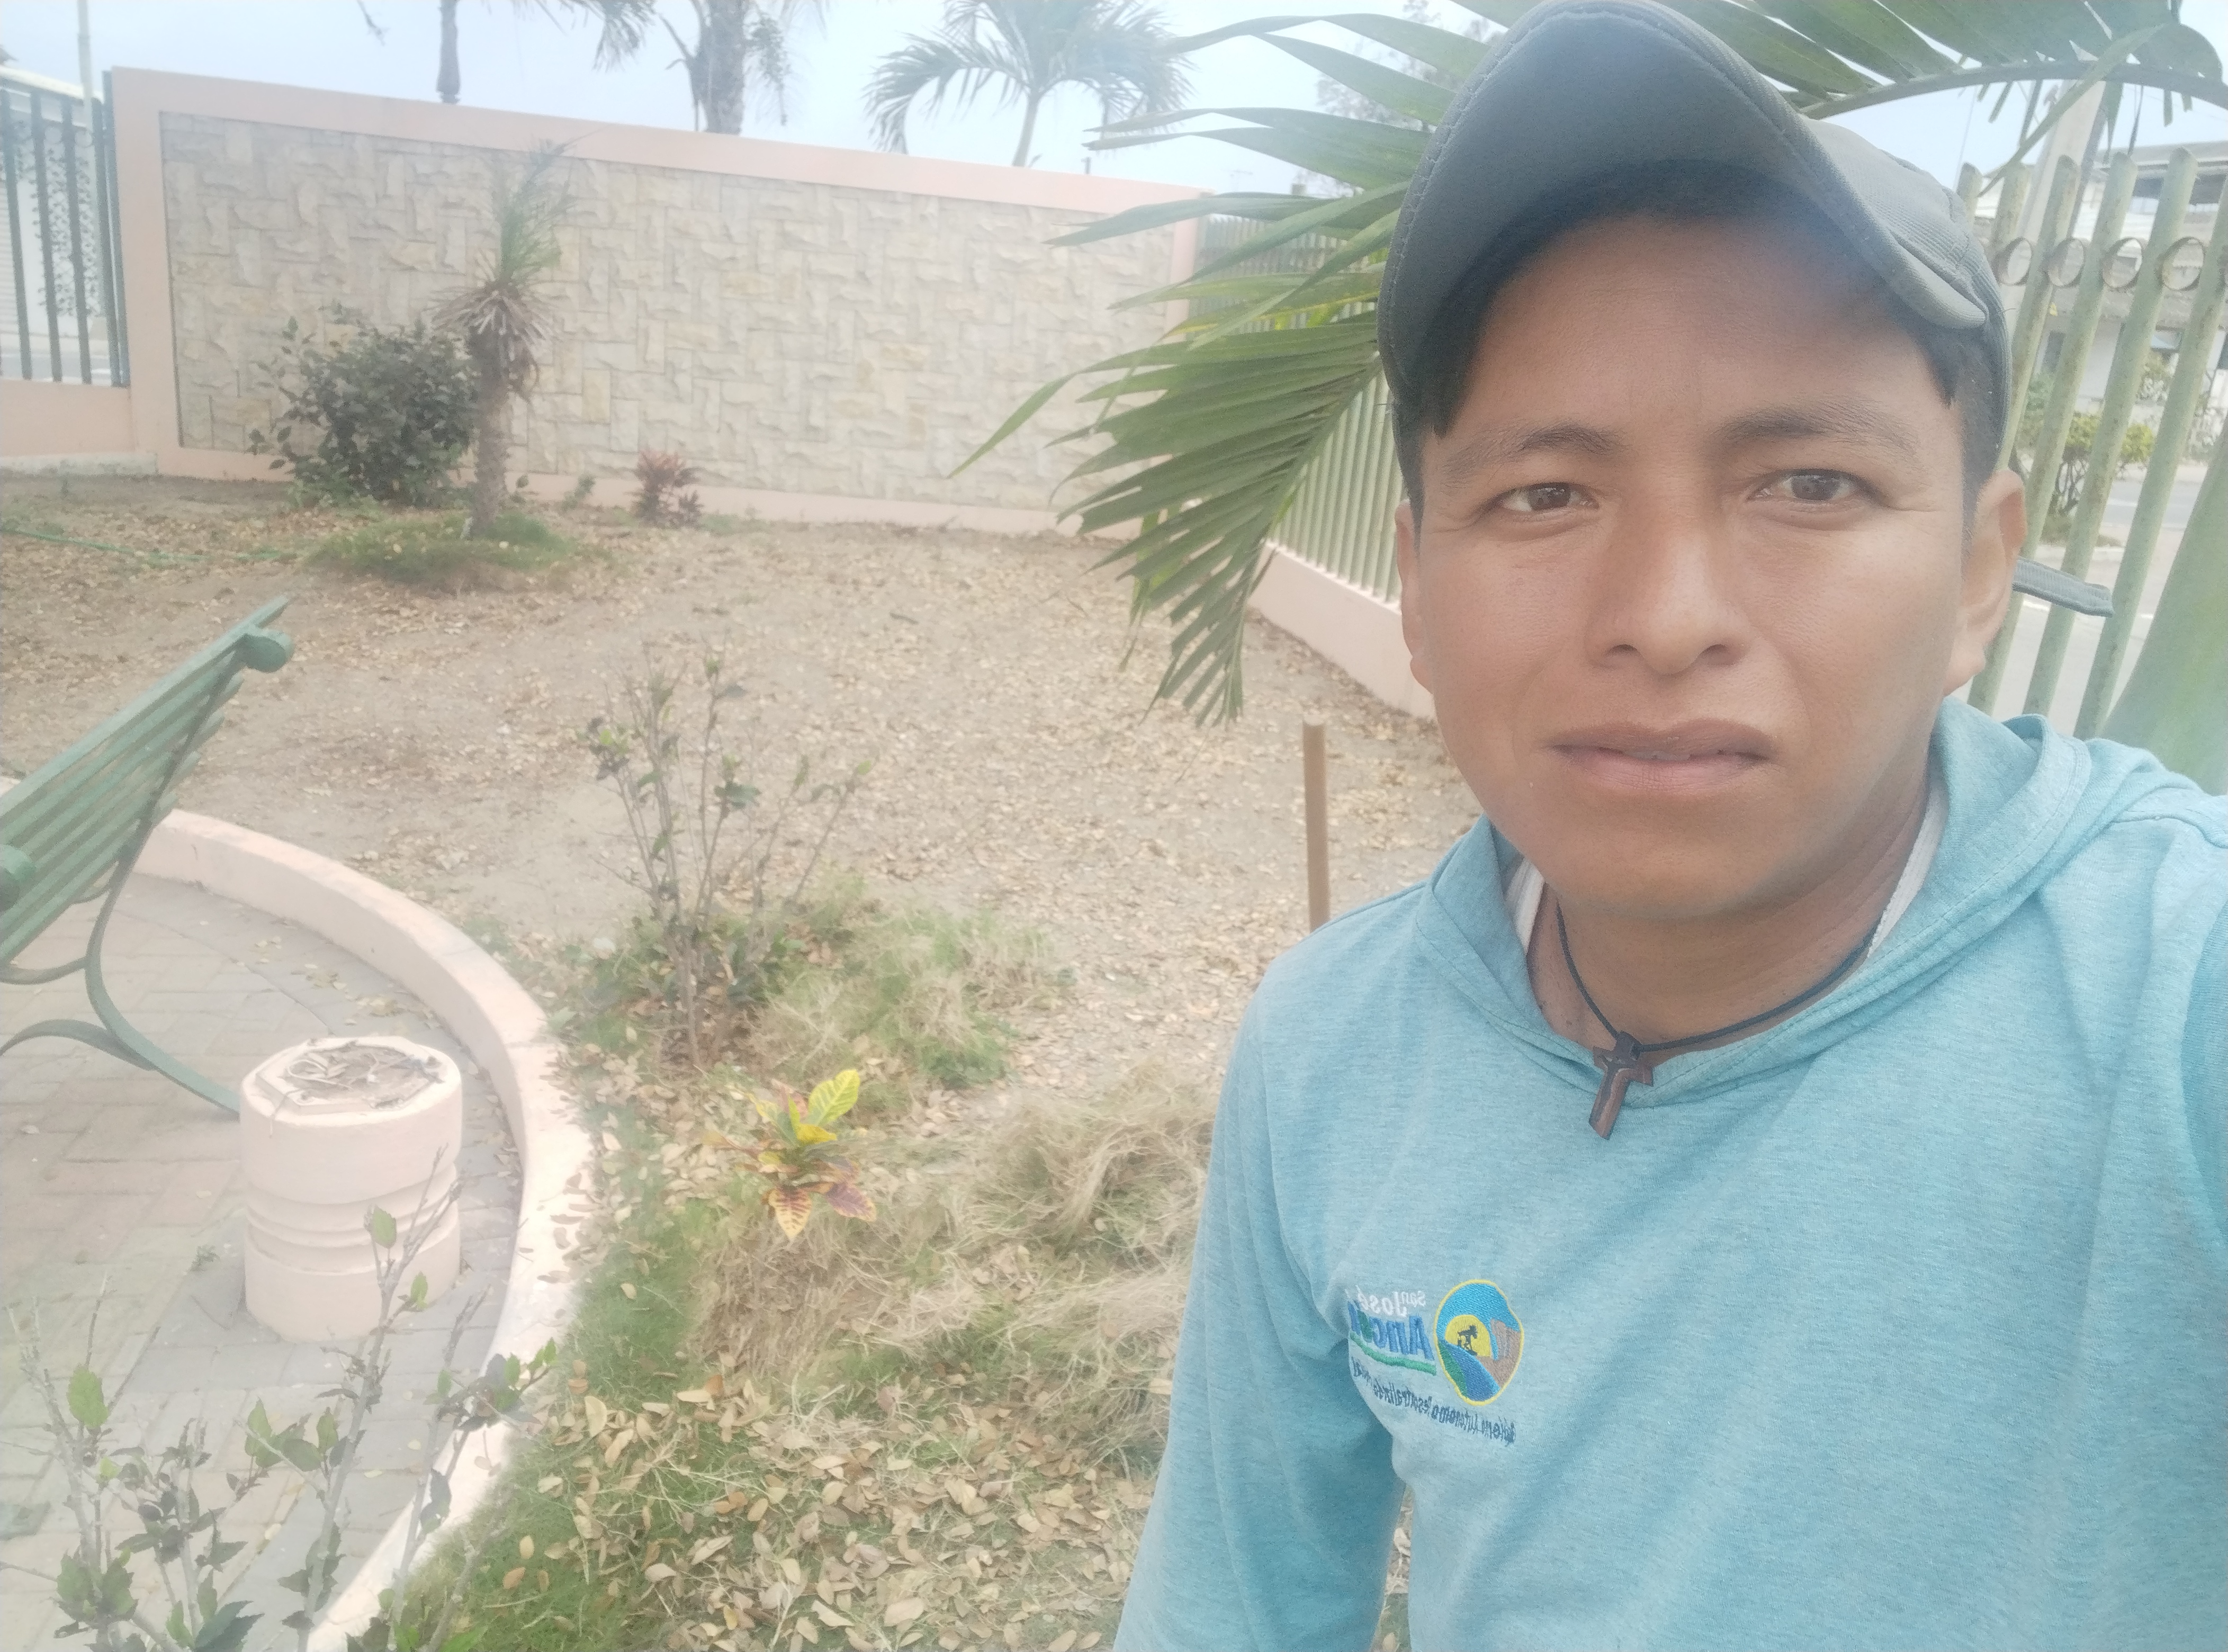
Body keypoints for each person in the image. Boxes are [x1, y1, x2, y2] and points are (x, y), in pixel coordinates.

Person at [1112, 4, 2227, 1648]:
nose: (1664, 615)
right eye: (1544, 495)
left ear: (1979, 573)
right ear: (1417, 587)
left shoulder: (2175, 1006)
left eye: (1810, 485)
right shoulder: (1335, 1053)